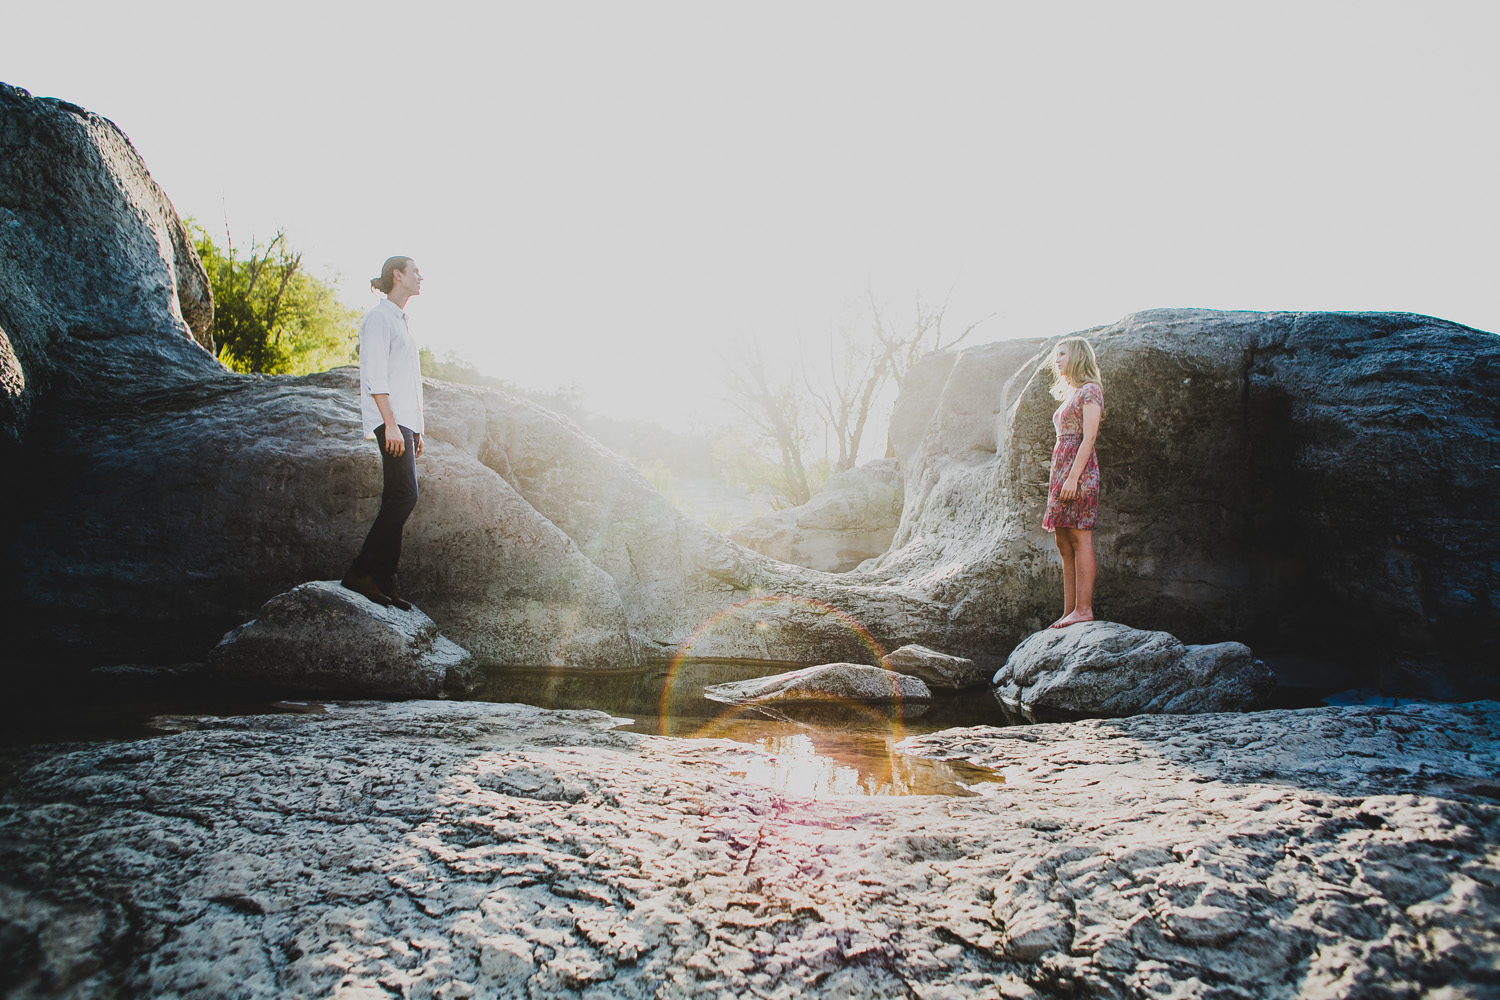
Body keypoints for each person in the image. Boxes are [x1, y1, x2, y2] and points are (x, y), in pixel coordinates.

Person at [342, 256, 425, 611]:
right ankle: (362, 572)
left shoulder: (403, 322)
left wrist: (417, 430)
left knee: (400, 496)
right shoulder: (379, 318)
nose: (421, 277)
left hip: (403, 423)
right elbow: (375, 374)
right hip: (388, 420)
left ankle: (383, 576)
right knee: (404, 496)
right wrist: (390, 423)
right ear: (398, 275)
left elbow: (409, 382)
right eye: (415, 271)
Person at [1042, 336, 1104, 628]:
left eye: (1063, 353)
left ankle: (1084, 609)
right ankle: (1069, 611)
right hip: (1062, 472)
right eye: (1056, 354)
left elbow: (1089, 437)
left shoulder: (1090, 391)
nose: (1057, 359)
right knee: (1063, 539)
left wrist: (1073, 477)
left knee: (1080, 537)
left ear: (1078, 356)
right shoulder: (1073, 393)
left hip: (1078, 473)